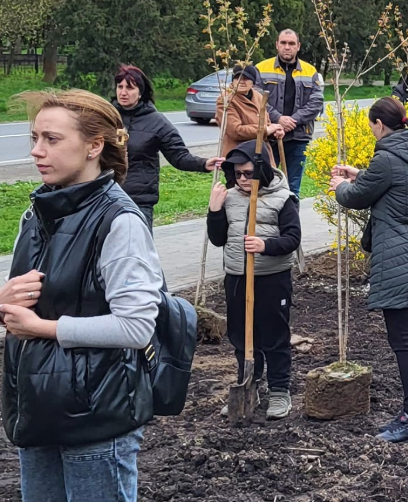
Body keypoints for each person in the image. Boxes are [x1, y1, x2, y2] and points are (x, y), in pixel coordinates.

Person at [0, 89, 164, 502]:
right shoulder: (37, 212)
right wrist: (1, 306)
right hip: (37, 408)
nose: (37, 151)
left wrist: (44, 328)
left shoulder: (119, 221)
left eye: (52, 139)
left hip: (96, 413)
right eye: (34, 138)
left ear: (94, 146)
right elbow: (22, 305)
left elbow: (137, 326)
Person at [329, 97, 408, 444]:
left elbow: (355, 198)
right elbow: (396, 182)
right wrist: (361, 174)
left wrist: (340, 187)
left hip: (399, 257)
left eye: (371, 127)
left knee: (403, 341)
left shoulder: (387, 157)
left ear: (379, 125)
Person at [208, 141, 301, 420]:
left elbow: (293, 239)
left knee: (274, 335)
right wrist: (214, 210)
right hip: (237, 277)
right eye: (237, 174)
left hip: (272, 279)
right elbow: (218, 238)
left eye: (248, 173)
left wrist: (265, 245)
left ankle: (279, 391)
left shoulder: (283, 199)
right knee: (242, 337)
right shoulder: (232, 198)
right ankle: (249, 384)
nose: (243, 180)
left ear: (262, 170)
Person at [114, 65, 223, 231]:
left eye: (129, 88)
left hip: (138, 200)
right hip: (108, 196)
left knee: (138, 252)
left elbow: (178, 156)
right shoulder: (107, 117)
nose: (123, 92)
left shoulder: (156, 122)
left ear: (141, 92)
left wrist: (203, 163)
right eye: (120, 87)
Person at [256, 30, 325, 195]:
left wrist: (292, 121)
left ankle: (291, 221)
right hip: (268, 137)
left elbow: (316, 102)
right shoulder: (261, 69)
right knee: (265, 185)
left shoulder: (310, 71)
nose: (287, 47)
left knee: (293, 188)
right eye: (284, 43)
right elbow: (256, 99)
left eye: (291, 43)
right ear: (277, 45)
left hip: (298, 138)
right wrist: (278, 119)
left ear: (298, 46)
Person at [216, 64, 284, 159]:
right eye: (237, 78)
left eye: (246, 78)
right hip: (239, 156)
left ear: (253, 82)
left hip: (261, 155)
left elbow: (267, 123)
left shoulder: (259, 97)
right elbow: (235, 131)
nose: (241, 82)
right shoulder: (225, 99)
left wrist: (274, 132)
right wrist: (265, 130)